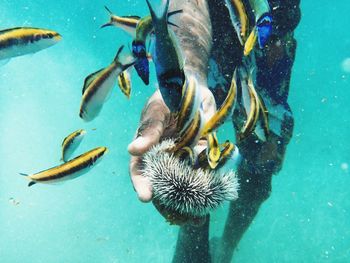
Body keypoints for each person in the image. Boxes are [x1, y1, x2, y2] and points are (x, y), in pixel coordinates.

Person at [128, 0, 301, 262]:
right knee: (192, 135)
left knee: (265, 155)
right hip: (210, 27)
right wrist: (188, 74)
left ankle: (227, 245)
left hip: (272, 38)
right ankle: (193, 251)